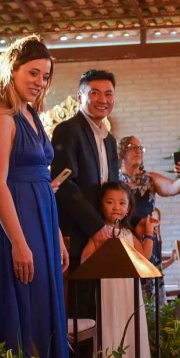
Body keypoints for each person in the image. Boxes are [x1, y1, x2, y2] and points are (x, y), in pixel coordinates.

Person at [0, 37, 70, 358]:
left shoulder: (31, 116)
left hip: (41, 220)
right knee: (21, 300)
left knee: (41, 301)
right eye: (33, 73)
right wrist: (18, 242)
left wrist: (56, 235)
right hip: (16, 223)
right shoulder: (0, 117)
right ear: (11, 71)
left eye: (45, 76)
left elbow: (43, 180)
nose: (40, 82)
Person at [51, 70, 118, 319]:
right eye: (95, 93)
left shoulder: (109, 140)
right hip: (77, 234)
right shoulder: (68, 130)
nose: (103, 99)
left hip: (104, 234)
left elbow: (112, 187)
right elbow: (64, 184)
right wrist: (96, 226)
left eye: (108, 94)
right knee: (79, 313)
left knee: (101, 310)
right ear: (80, 97)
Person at [81, 181, 153, 358]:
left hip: (129, 288)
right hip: (109, 288)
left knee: (131, 324)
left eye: (122, 203)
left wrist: (149, 233)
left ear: (128, 208)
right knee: (111, 323)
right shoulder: (100, 234)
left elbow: (144, 257)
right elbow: (85, 259)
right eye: (110, 202)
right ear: (101, 205)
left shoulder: (128, 233)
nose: (116, 207)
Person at [117, 133, 180, 272]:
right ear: (122, 151)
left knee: (148, 278)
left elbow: (173, 187)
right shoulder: (114, 179)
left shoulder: (150, 179)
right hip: (121, 237)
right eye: (134, 147)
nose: (139, 151)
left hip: (147, 237)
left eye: (141, 148)